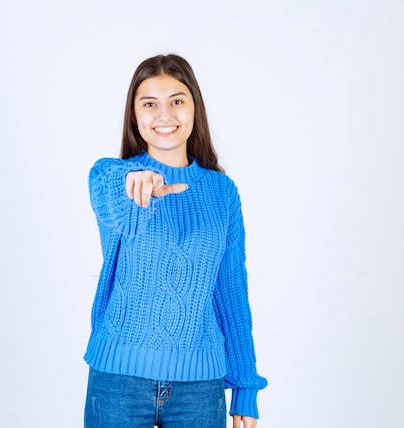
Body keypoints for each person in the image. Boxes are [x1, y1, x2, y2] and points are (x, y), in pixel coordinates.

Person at [84, 54, 267, 428]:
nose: (164, 114)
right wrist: (136, 183)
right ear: (134, 115)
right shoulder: (113, 177)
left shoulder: (222, 192)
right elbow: (115, 203)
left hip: (200, 386)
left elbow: (231, 290)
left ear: (194, 109)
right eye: (149, 104)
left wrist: (245, 387)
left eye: (177, 101)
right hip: (119, 378)